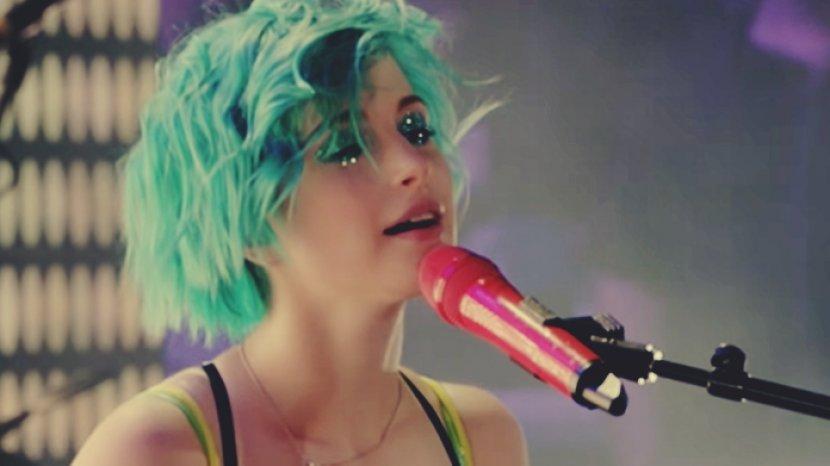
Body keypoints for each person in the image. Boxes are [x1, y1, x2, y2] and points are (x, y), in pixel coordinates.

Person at [73, 0, 528, 464]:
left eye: (414, 128)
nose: (412, 164)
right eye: (346, 146)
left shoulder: (481, 438)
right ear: (249, 223)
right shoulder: (153, 448)